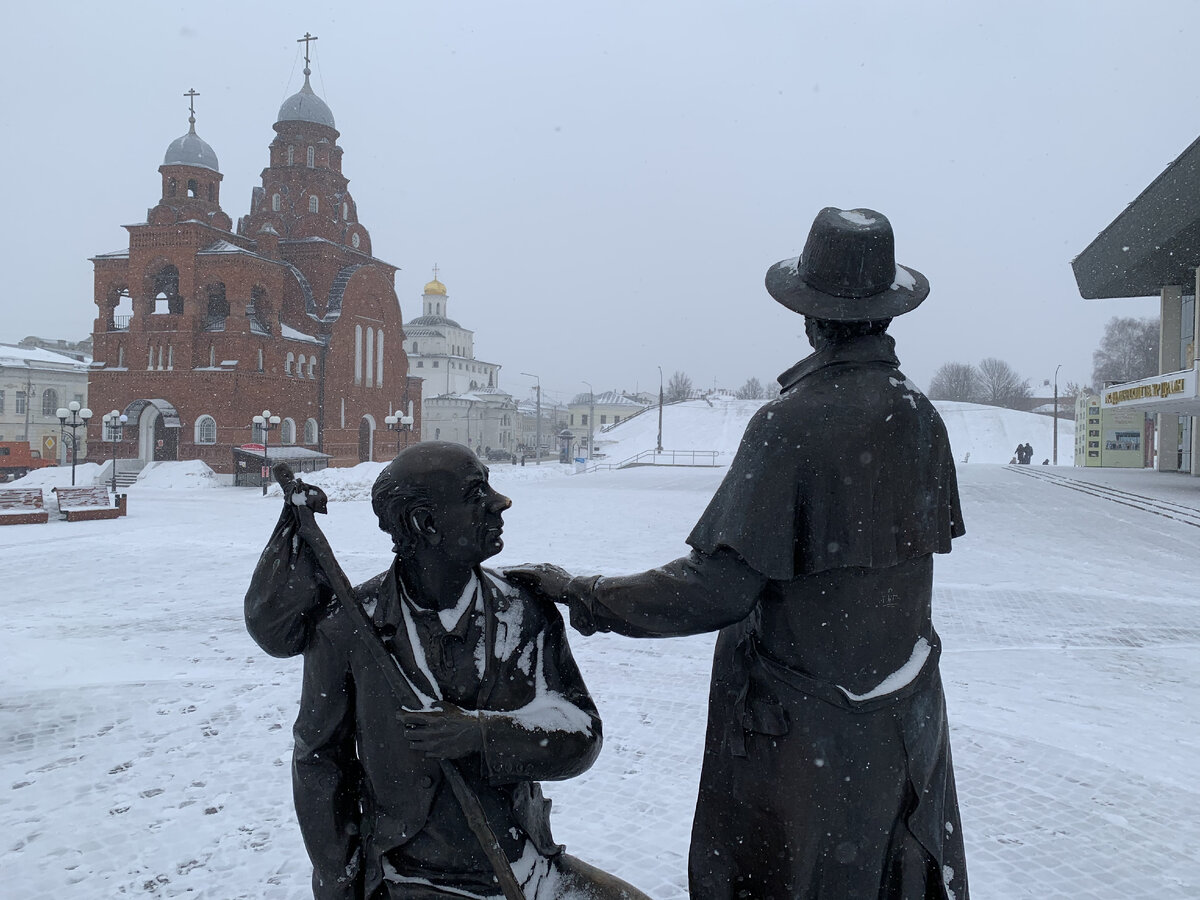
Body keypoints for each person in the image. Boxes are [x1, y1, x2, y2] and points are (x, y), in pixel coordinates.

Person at [511, 208, 969, 900]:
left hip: (804, 749)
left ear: (810, 318)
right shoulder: (917, 415)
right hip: (903, 732)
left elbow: (715, 590)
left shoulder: (790, 424)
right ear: (886, 313)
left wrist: (583, 592)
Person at [245, 442, 648, 900]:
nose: (501, 502)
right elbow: (319, 761)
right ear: (426, 523)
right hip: (411, 878)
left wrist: (480, 735)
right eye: (478, 493)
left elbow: (582, 734)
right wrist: (340, 881)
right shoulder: (349, 628)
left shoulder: (526, 608)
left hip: (525, 867)